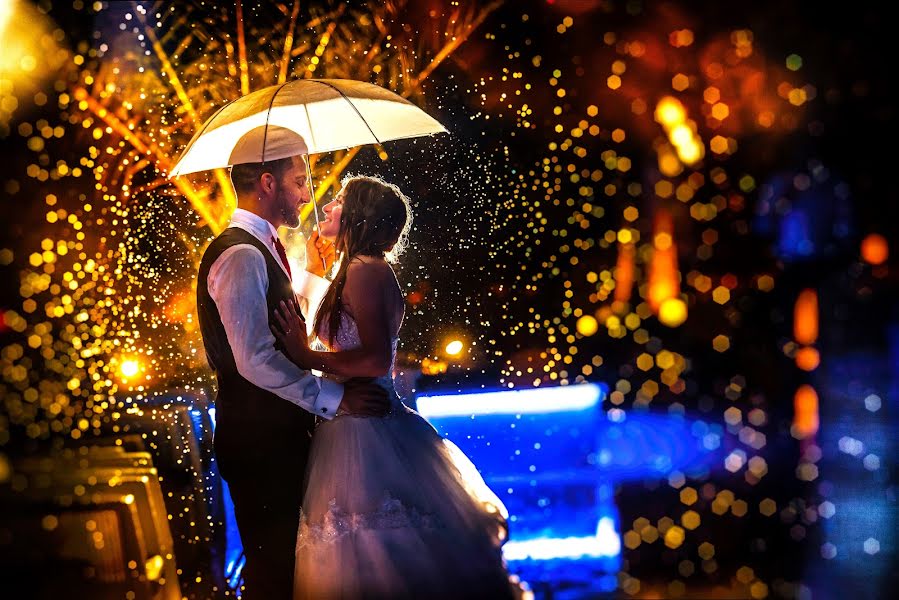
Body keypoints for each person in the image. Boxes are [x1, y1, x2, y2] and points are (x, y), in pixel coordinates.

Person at [271, 174, 523, 600]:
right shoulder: (352, 269)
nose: (328, 205)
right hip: (348, 421)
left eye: (340, 201)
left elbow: (373, 358)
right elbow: (323, 332)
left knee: (372, 551)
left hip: (366, 429)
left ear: (358, 216)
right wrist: (315, 271)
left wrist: (306, 356)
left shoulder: (366, 272)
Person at [195, 156, 390, 600]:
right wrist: (334, 400)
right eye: (300, 182)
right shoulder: (242, 254)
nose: (308, 195)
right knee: (278, 577)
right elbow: (256, 359)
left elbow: (292, 332)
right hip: (262, 445)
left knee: (300, 572)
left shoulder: (265, 249)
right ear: (268, 183)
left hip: (281, 439)